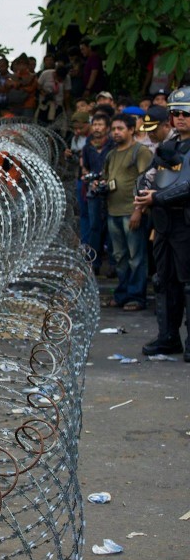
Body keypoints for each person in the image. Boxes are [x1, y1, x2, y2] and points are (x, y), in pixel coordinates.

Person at [136, 88, 190, 360]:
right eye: (176, 114)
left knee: (187, 282)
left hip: (185, 223)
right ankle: (168, 337)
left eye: (185, 113)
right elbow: (148, 174)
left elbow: (187, 186)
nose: (180, 118)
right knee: (163, 280)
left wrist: (156, 197)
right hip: (165, 222)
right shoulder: (169, 146)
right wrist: (142, 190)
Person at [103, 113, 153, 310]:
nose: (116, 132)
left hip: (131, 211)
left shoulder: (140, 152)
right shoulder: (111, 154)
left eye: (120, 128)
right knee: (120, 257)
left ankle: (136, 296)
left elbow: (146, 181)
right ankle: (122, 293)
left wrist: (138, 210)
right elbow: (107, 178)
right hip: (113, 211)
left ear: (132, 130)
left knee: (136, 257)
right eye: (114, 129)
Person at [80, 112, 114, 274]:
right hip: (93, 191)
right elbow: (85, 167)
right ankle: (94, 263)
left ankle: (113, 265)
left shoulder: (113, 146)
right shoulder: (87, 148)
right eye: (95, 125)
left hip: (112, 190)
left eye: (100, 125)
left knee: (111, 227)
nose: (97, 128)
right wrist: (89, 179)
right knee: (94, 227)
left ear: (107, 128)